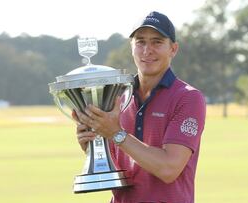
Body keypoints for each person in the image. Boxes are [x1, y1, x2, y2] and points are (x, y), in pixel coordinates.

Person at [72, 11, 206, 203]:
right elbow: (122, 169)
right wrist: (93, 148)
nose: (147, 50)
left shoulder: (188, 98)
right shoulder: (117, 97)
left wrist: (116, 134)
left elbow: (169, 169)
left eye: (157, 42)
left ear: (173, 49)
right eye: (140, 41)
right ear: (131, 47)